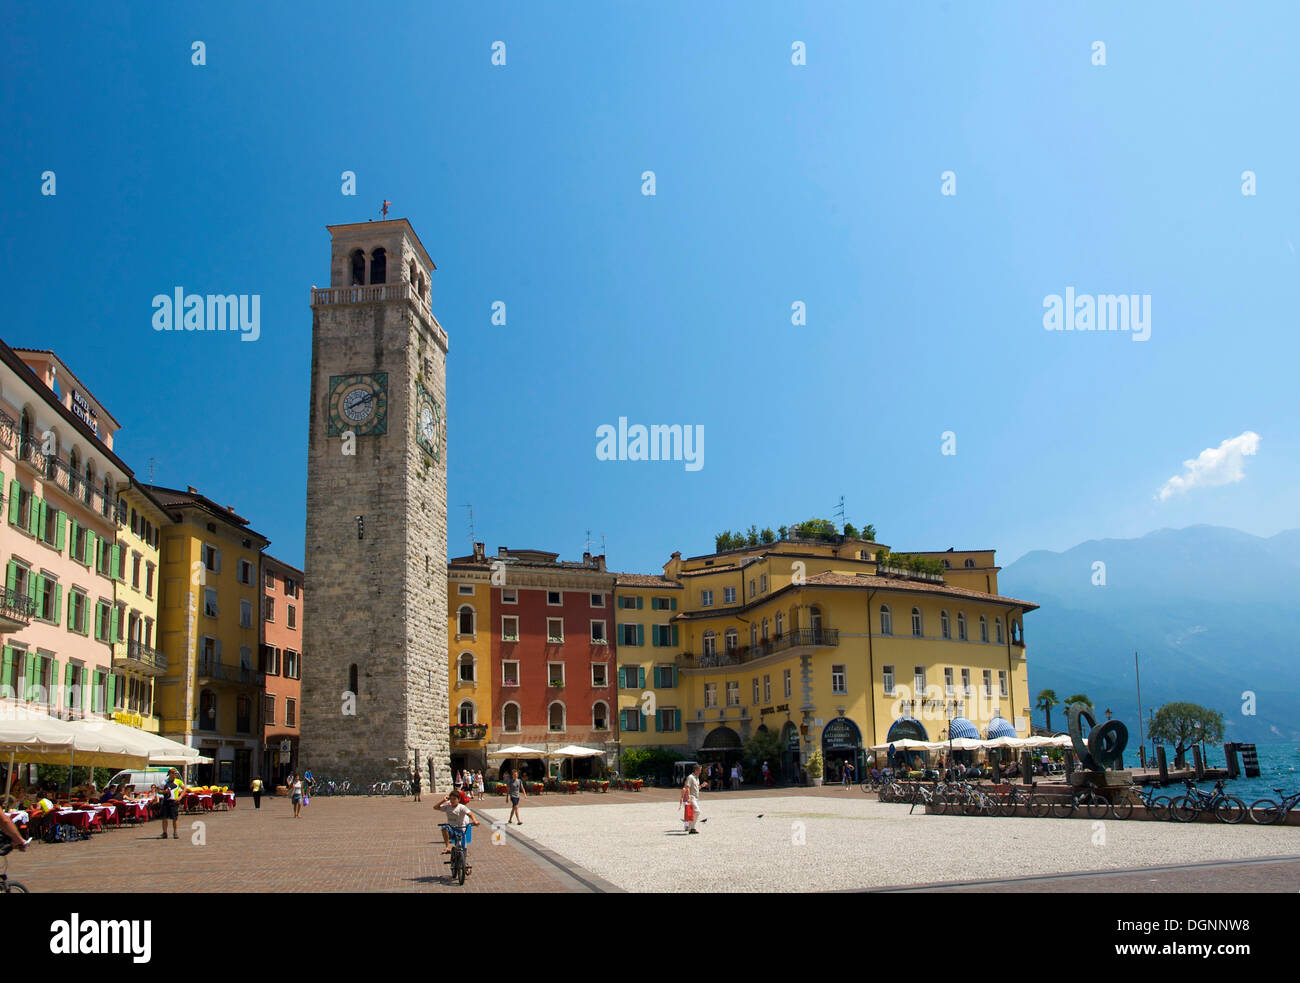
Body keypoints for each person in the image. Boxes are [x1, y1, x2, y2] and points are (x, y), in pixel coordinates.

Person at [436, 788, 480, 866]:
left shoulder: (461, 807)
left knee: (463, 848)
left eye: (454, 799)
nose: (452, 801)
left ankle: (464, 863)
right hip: (451, 829)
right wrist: (443, 800)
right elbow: (435, 807)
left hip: (460, 830)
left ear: (458, 799)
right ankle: (447, 847)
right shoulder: (447, 806)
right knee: (444, 827)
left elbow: (470, 814)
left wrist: (475, 821)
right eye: (451, 799)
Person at [154, 767, 185, 840]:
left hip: (174, 801)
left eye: (176, 774)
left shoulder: (178, 781)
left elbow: (184, 788)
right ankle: (164, 833)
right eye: (174, 773)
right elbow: (159, 790)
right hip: (166, 800)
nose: (175, 775)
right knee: (164, 817)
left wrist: (180, 797)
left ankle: (175, 832)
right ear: (170, 774)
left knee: (175, 818)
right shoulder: (164, 782)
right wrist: (165, 792)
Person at [682, 764, 707, 834]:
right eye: (700, 770)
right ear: (696, 770)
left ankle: (691, 828)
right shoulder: (690, 777)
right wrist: (688, 798)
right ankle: (690, 827)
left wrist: (702, 786)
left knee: (694, 812)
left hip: (695, 797)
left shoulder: (697, 778)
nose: (701, 771)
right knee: (697, 811)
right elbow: (687, 787)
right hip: (691, 797)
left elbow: (696, 788)